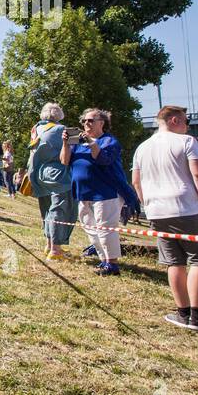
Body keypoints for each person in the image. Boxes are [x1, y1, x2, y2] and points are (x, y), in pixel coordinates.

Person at [131, 106, 198, 331]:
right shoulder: (186, 141)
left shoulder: (142, 148)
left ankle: (182, 311)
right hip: (187, 207)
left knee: (173, 261)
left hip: (157, 210)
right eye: (185, 121)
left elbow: (136, 181)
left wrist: (148, 204)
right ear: (174, 120)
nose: (187, 125)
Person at [61, 109, 137, 276]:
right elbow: (64, 161)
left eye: (90, 120)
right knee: (90, 228)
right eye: (84, 121)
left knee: (105, 228)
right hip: (83, 192)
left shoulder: (109, 141)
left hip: (105, 192)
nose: (86, 124)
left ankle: (112, 264)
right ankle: (104, 260)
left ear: (101, 122)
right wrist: (66, 144)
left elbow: (103, 159)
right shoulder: (77, 143)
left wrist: (91, 142)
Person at [28, 102, 75, 260]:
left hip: (38, 174)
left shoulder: (37, 129)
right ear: (60, 116)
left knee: (47, 209)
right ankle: (56, 249)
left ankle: (49, 244)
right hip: (57, 174)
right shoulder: (62, 130)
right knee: (59, 209)